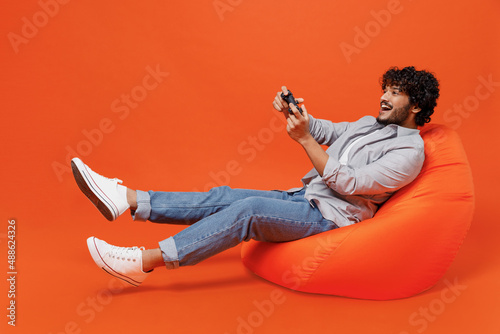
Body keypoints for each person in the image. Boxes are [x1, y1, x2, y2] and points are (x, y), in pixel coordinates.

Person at [72, 66, 440, 287]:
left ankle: (143, 262)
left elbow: (348, 184)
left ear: (417, 105)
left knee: (247, 211)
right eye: (386, 88)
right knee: (225, 195)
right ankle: (128, 199)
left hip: (331, 218)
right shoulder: (369, 123)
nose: (384, 96)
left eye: (395, 92)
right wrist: (298, 115)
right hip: (304, 196)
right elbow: (329, 131)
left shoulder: (409, 153)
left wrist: (303, 139)